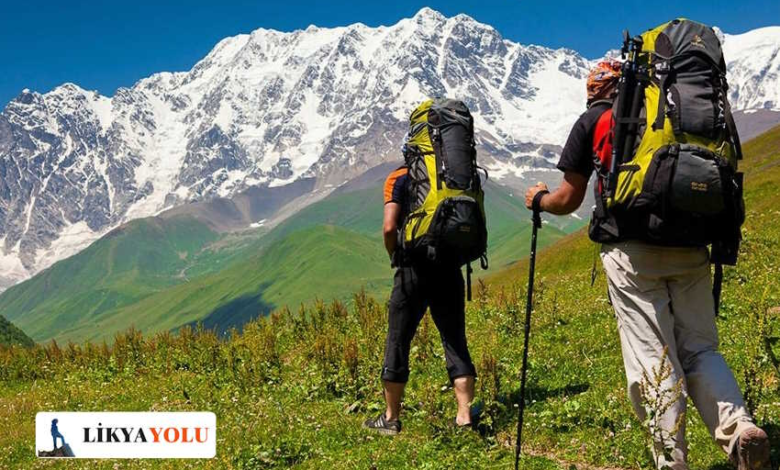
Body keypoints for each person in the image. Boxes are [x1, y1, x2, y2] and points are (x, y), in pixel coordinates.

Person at [524, 61, 770, 470]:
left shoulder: (596, 119)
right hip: (692, 244)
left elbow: (567, 199)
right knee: (701, 349)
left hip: (632, 252)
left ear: (593, 91)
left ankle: (672, 462)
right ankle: (739, 430)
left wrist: (539, 199)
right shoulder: (675, 113)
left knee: (653, 357)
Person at [362, 163, 477, 435]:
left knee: (398, 340)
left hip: (412, 269)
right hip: (449, 268)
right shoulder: (454, 174)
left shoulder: (399, 177)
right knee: (455, 341)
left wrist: (395, 254)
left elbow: (389, 228)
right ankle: (464, 417)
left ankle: (391, 418)